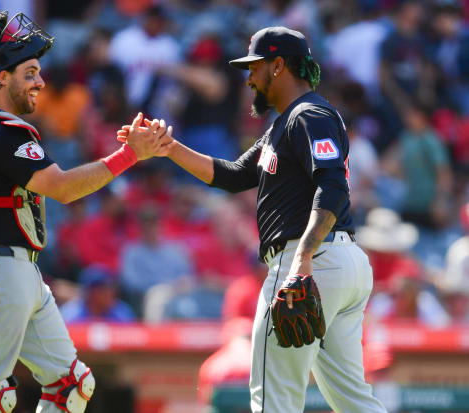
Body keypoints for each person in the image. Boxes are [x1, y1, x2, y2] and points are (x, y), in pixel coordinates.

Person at [121, 26, 386, 413]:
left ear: (278, 65)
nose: (248, 79)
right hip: (339, 264)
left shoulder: (308, 114)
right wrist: (168, 147)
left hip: (308, 258)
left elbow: (332, 189)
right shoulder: (284, 124)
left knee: (272, 397)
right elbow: (230, 176)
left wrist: (301, 262)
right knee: (353, 401)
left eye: (255, 67)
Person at [0, 11, 170, 413]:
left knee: (71, 386)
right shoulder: (0, 132)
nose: (40, 82)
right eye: (29, 72)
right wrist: (131, 153)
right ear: (1, 77)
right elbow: (63, 189)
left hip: (11, 270)